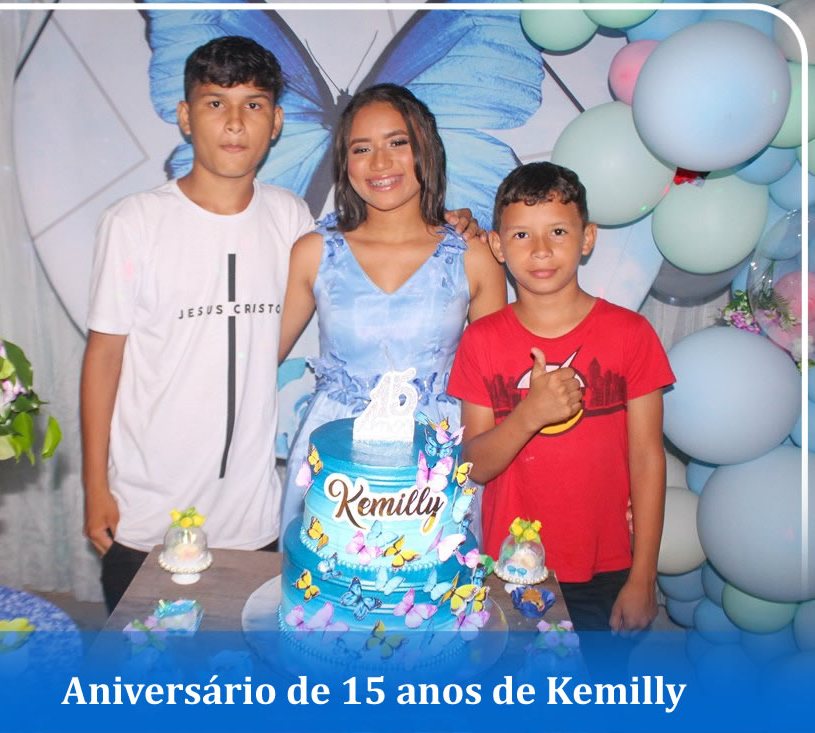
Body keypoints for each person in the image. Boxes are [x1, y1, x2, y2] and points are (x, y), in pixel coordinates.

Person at [81, 36, 314, 613]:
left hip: (251, 517)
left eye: (253, 104)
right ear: (186, 117)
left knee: (242, 661)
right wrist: (94, 486)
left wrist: (450, 223)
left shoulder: (290, 218)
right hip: (146, 514)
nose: (235, 122)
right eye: (215, 103)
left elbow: (360, 260)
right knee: (145, 662)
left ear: (276, 122)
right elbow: (103, 359)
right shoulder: (134, 222)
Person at [447, 161, 675, 637]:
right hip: (511, 567)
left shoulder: (631, 335)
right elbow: (473, 466)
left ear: (587, 238)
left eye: (557, 231)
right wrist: (529, 414)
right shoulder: (481, 341)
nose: (541, 250)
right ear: (497, 246)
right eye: (522, 235)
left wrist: (644, 576)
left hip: (609, 567)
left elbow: (647, 459)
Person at [277, 83, 507, 534]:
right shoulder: (313, 252)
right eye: (362, 148)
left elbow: (495, 392)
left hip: (436, 460)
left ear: (426, 148)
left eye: (397, 143)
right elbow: (257, 357)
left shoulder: (473, 256)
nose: (380, 163)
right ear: (344, 163)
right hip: (333, 458)